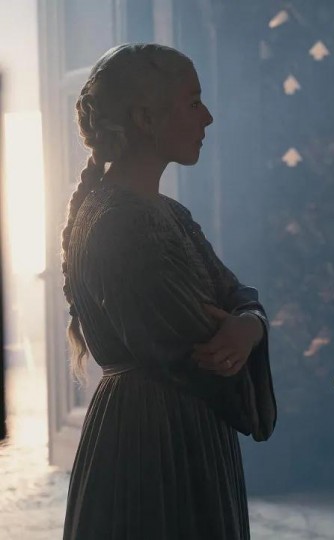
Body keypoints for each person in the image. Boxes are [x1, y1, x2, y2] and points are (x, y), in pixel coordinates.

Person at [61, 43, 276, 539]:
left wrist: (248, 324)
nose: (208, 117)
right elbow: (198, 347)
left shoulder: (167, 212)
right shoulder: (119, 222)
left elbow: (234, 292)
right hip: (151, 436)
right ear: (145, 118)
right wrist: (240, 329)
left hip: (184, 425)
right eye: (193, 102)